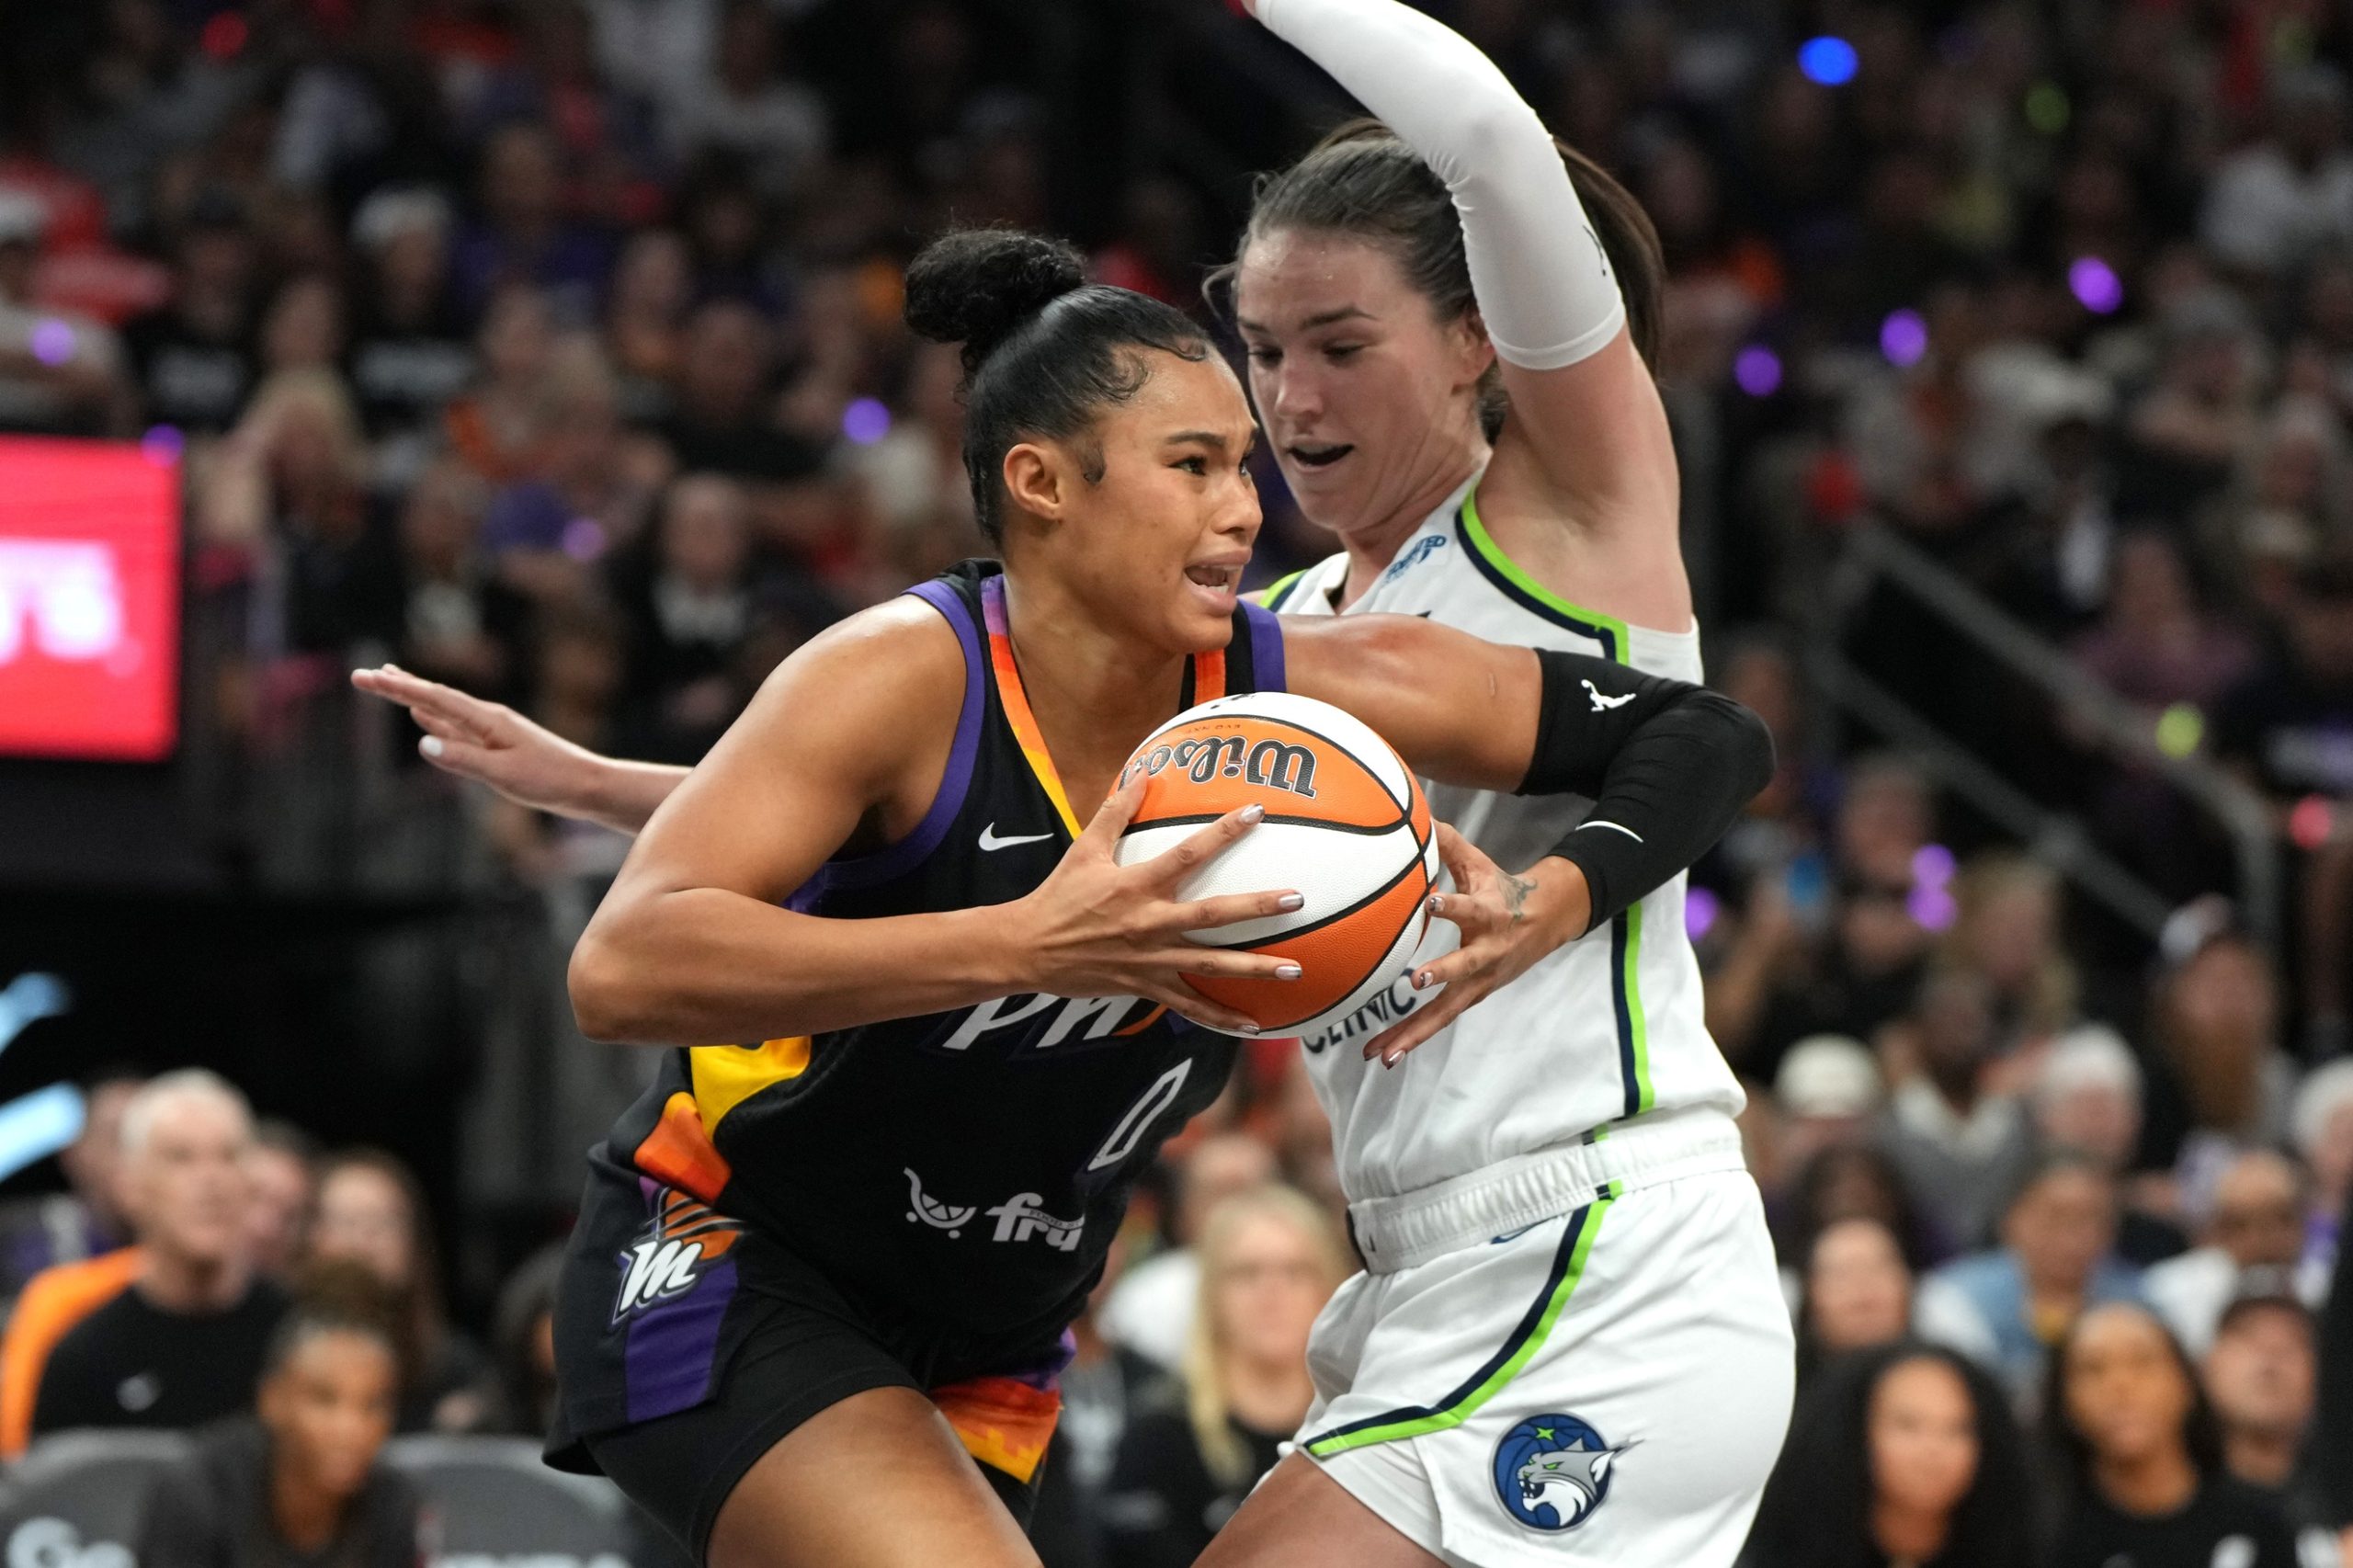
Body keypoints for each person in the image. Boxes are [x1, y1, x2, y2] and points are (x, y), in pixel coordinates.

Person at [360, 2, 1796, 1557]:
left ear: (1475, 343)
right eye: (1262, 358)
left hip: (1592, 1228)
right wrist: (635, 790)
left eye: (1338, 348)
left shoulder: (1558, 522)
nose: (1291, 409)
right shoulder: (1260, 640)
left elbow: (1494, 147)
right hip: (1391, 1260)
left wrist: (1556, 893)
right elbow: (970, 804)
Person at [31, 1070, 291, 1441]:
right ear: (130, 1186)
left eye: (229, 1156)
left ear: (251, 1183)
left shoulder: (299, 1340)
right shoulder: (84, 1360)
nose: (211, 1181)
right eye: (180, 1158)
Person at [1099, 1186, 1350, 1568]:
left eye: (1296, 1271)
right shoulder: (1158, 1433)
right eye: (1247, 1273)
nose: (1272, 1293)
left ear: (1331, 1287)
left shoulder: (1362, 1426)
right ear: (1212, 1292)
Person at [135, 1280, 425, 1568]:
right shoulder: (197, 1491)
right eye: (324, 1400)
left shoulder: (394, 1503)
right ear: (271, 1399)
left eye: (373, 1404)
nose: (350, 1428)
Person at [2045, 1301, 2298, 1568]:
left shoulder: (2260, 1526)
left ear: (2186, 1382)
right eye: (2093, 1368)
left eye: (2142, 1361)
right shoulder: (2047, 1540)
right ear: (2064, 1401)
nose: (2120, 1385)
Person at [1739, 1343, 2033, 1568]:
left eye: (1958, 1429)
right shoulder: (1785, 1547)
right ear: (1855, 1433)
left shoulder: (2023, 1546)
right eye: (1908, 1425)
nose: (1933, 1449)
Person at [1930, 1153, 2143, 1405]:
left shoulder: (2138, 1303)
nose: (2071, 1237)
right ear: (2010, 1218)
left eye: (2090, 1219)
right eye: (2055, 1217)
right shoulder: (1954, 1299)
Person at [307, 1149, 496, 1433]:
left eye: (384, 1222)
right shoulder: (277, 1348)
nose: (365, 1239)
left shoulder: (455, 1369)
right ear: (312, 1237)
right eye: (348, 1222)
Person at [1098, 1132, 1279, 1373]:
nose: (1235, 1209)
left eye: (1249, 1193)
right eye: (1220, 1193)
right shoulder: (1148, 1295)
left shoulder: (1307, 1280)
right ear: (1186, 1210)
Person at [2202, 1281, 2335, 1555]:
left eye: (2293, 1342)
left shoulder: (2341, 1505)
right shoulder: (2162, 1499)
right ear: (2206, 1365)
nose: (2270, 1357)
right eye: (2248, 1337)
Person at [2143, 1149, 2319, 1354]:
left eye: (2281, 1220)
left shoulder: (2321, 1291)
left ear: (2302, 1224)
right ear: (2216, 1230)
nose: (2260, 1240)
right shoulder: (2171, 1292)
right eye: (2240, 1224)